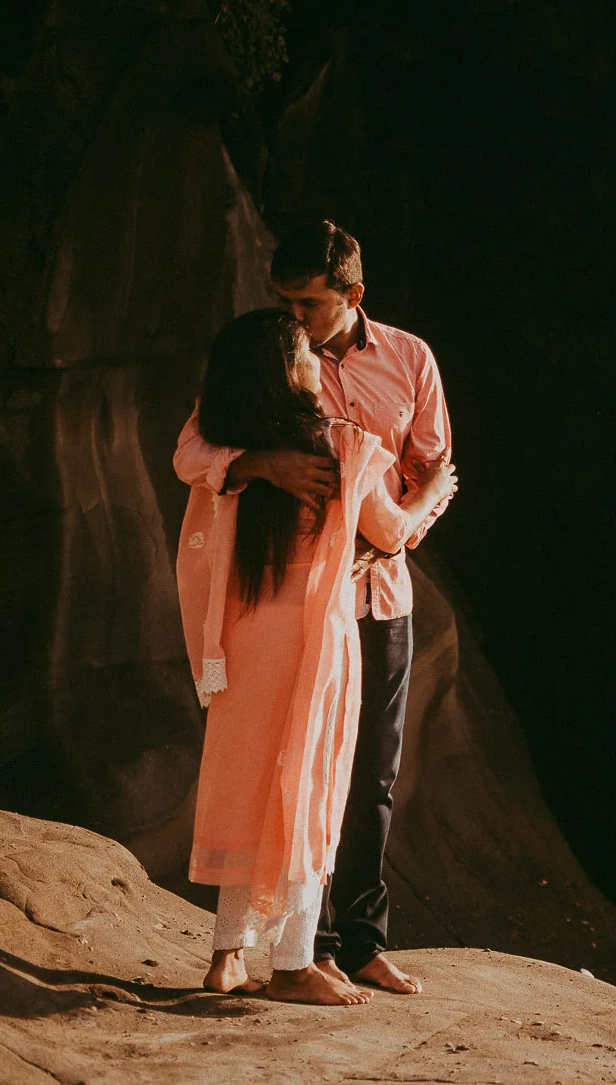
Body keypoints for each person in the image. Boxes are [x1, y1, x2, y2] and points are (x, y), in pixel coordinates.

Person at [174, 221, 453, 997]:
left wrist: (386, 542)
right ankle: (307, 948)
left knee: (369, 778)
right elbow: (192, 452)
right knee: (301, 767)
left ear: (352, 296)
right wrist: (257, 464)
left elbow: (430, 464)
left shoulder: (410, 360)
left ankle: (359, 941)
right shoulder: (268, 360)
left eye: (309, 302)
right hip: (295, 603)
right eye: (285, 301)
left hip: (376, 597)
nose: (295, 316)